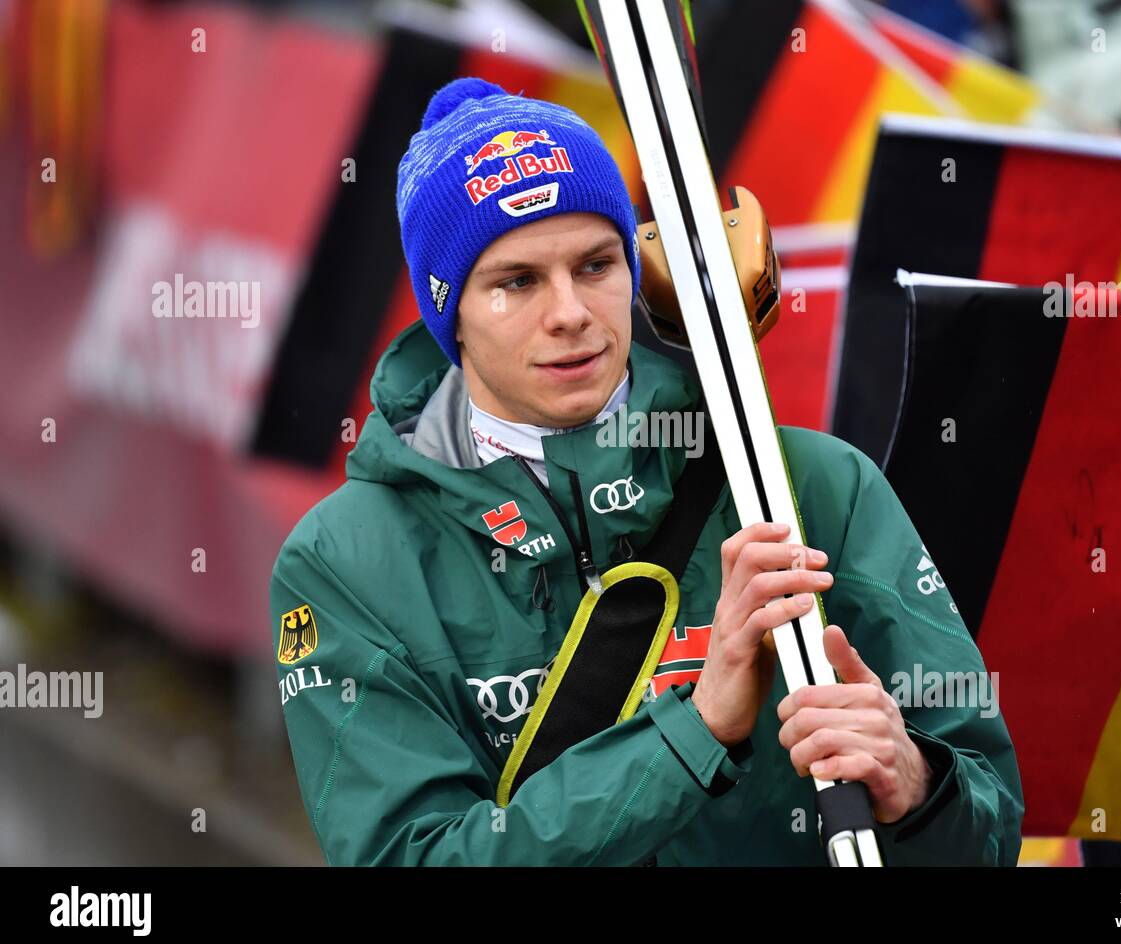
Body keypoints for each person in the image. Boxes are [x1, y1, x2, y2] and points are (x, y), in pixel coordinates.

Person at [270, 77, 1023, 866]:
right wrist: (696, 732)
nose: (569, 312)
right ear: (447, 310)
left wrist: (921, 784)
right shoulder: (344, 562)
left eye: (596, 265)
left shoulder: (812, 487)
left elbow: (991, 827)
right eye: (516, 282)